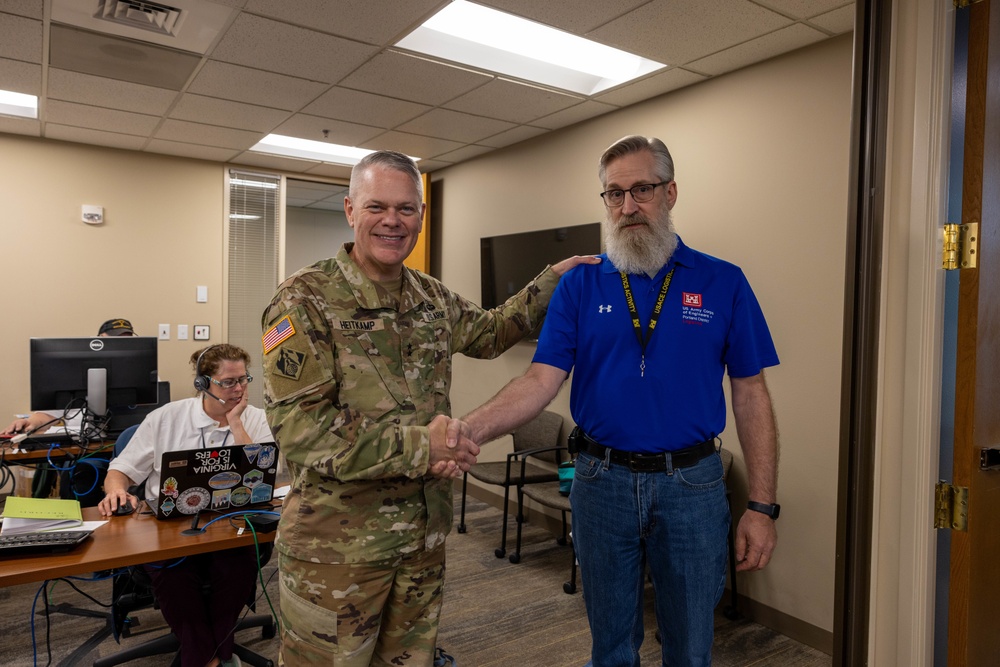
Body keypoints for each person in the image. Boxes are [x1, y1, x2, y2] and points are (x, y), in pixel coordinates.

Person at [260, 149, 598, 666]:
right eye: (377, 207)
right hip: (337, 551)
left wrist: (552, 278)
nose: (392, 221)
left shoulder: (428, 296)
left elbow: (489, 333)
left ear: (420, 215)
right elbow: (302, 432)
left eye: (406, 209)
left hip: (422, 539)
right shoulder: (303, 300)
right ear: (350, 210)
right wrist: (426, 445)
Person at [459, 135, 781, 667]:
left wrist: (762, 506)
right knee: (609, 648)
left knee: (691, 648)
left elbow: (751, 394)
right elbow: (540, 381)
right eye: (613, 194)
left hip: (692, 487)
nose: (627, 206)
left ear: (671, 192)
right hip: (599, 483)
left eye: (642, 190)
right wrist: (468, 431)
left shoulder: (724, 282)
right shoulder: (581, 284)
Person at [97, 343, 274, 667]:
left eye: (244, 380)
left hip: (229, 524)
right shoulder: (166, 419)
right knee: (174, 575)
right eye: (228, 382)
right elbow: (119, 471)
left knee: (235, 570)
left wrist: (236, 423)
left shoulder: (257, 419)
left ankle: (206, 655)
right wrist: (116, 492)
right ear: (203, 384)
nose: (239, 389)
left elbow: (258, 472)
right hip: (168, 529)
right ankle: (211, 657)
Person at [2, 318, 137, 437]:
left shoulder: (142, 375)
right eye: (115, 340)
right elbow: (48, 416)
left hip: (130, 445)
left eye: (127, 341)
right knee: (86, 466)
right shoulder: (71, 375)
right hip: (83, 445)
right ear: (98, 341)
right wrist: (29, 422)